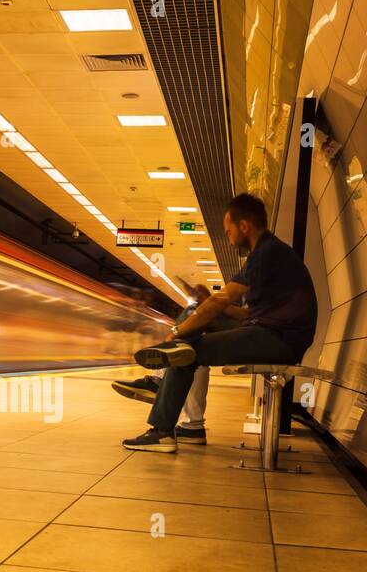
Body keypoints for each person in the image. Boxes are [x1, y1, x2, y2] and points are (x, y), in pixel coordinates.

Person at [121, 193, 317, 453]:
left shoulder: (266, 253)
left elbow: (220, 302)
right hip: (270, 333)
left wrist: (178, 331)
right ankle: (161, 384)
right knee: (194, 310)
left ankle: (162, 430)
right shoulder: (269, 252)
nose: (229, 237)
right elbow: (239, 312)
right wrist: (207, 305)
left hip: (279, 340)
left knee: (185, 353)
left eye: (229, 231)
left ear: (243, 226)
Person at [109, 283, 227, 443]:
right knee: (192, 350)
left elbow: (227, 305)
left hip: (260, 335)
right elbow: (236, 309)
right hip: (256, 329)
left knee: (189, 337)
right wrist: (209, 301)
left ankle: (159, 385)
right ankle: (192, 427)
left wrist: (175, 332)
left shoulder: (260, 262)